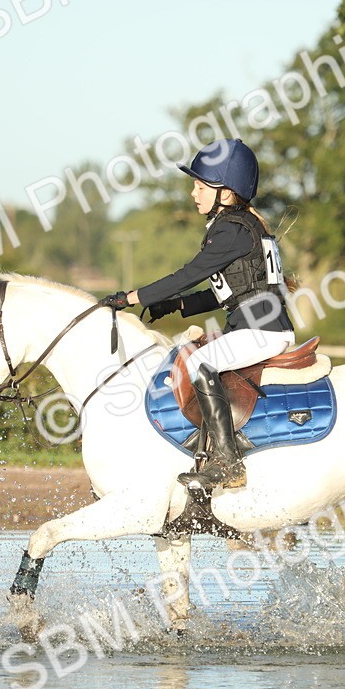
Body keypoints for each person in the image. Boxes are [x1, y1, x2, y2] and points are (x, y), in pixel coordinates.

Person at [101, 138, 295, 490]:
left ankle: (227, 462)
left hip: (262, 331)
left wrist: (132, 298)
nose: (193, 193)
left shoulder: (232, 228)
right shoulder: (243, 226)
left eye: (200, 185)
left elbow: (189, 274)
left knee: (199, 363)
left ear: (225, 192)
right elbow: (224, 292)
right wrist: (177, 305)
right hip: (258, 326)